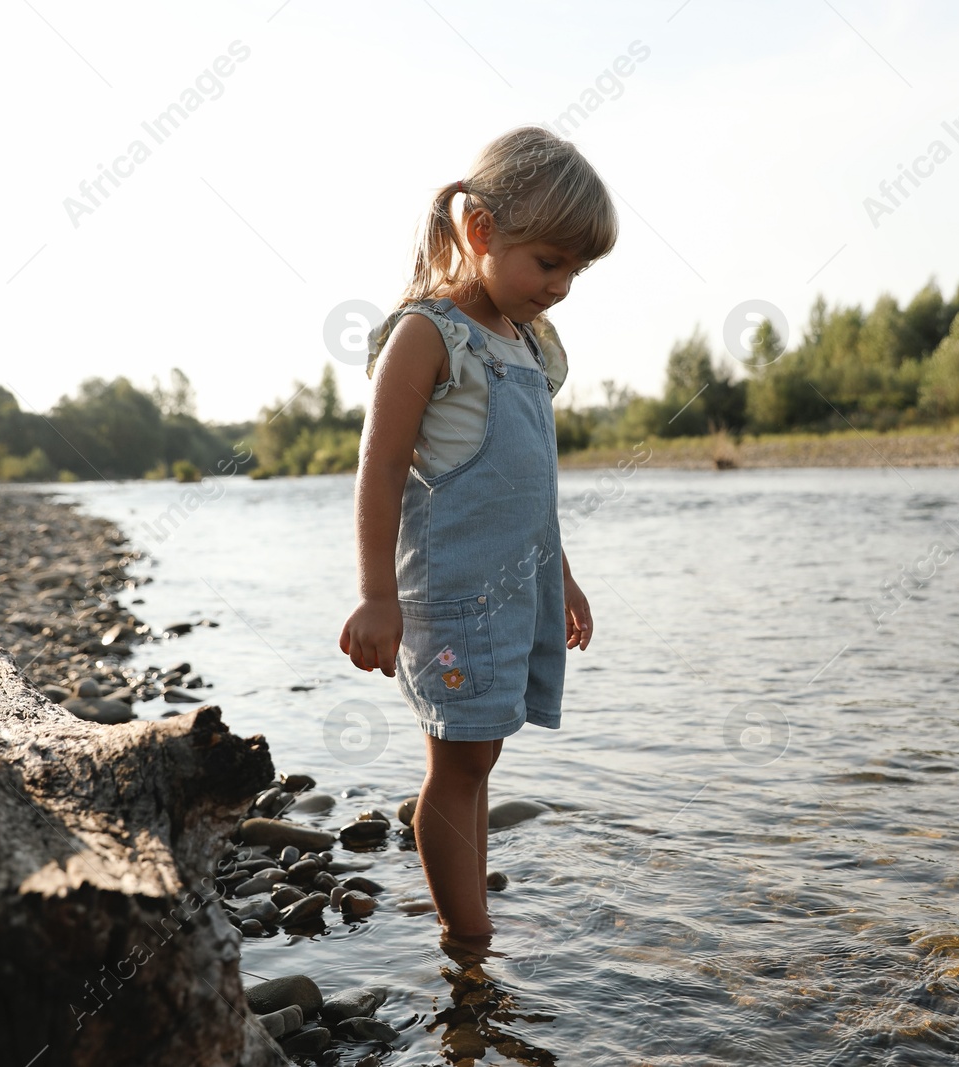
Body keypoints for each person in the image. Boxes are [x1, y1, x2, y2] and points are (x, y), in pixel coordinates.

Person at [339, 126, 617, 949]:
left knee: (479, 759)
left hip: (517, 589)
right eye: (549, 262)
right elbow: (381, 468)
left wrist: (560, 575)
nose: (562, 285)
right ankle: (468, 938)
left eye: (576, 269)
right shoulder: (428, 335)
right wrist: (375, 596)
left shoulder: (527, 344)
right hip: (452, 598)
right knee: (456, 766)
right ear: (483, 232)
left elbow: (532, 486)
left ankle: (469, 916)